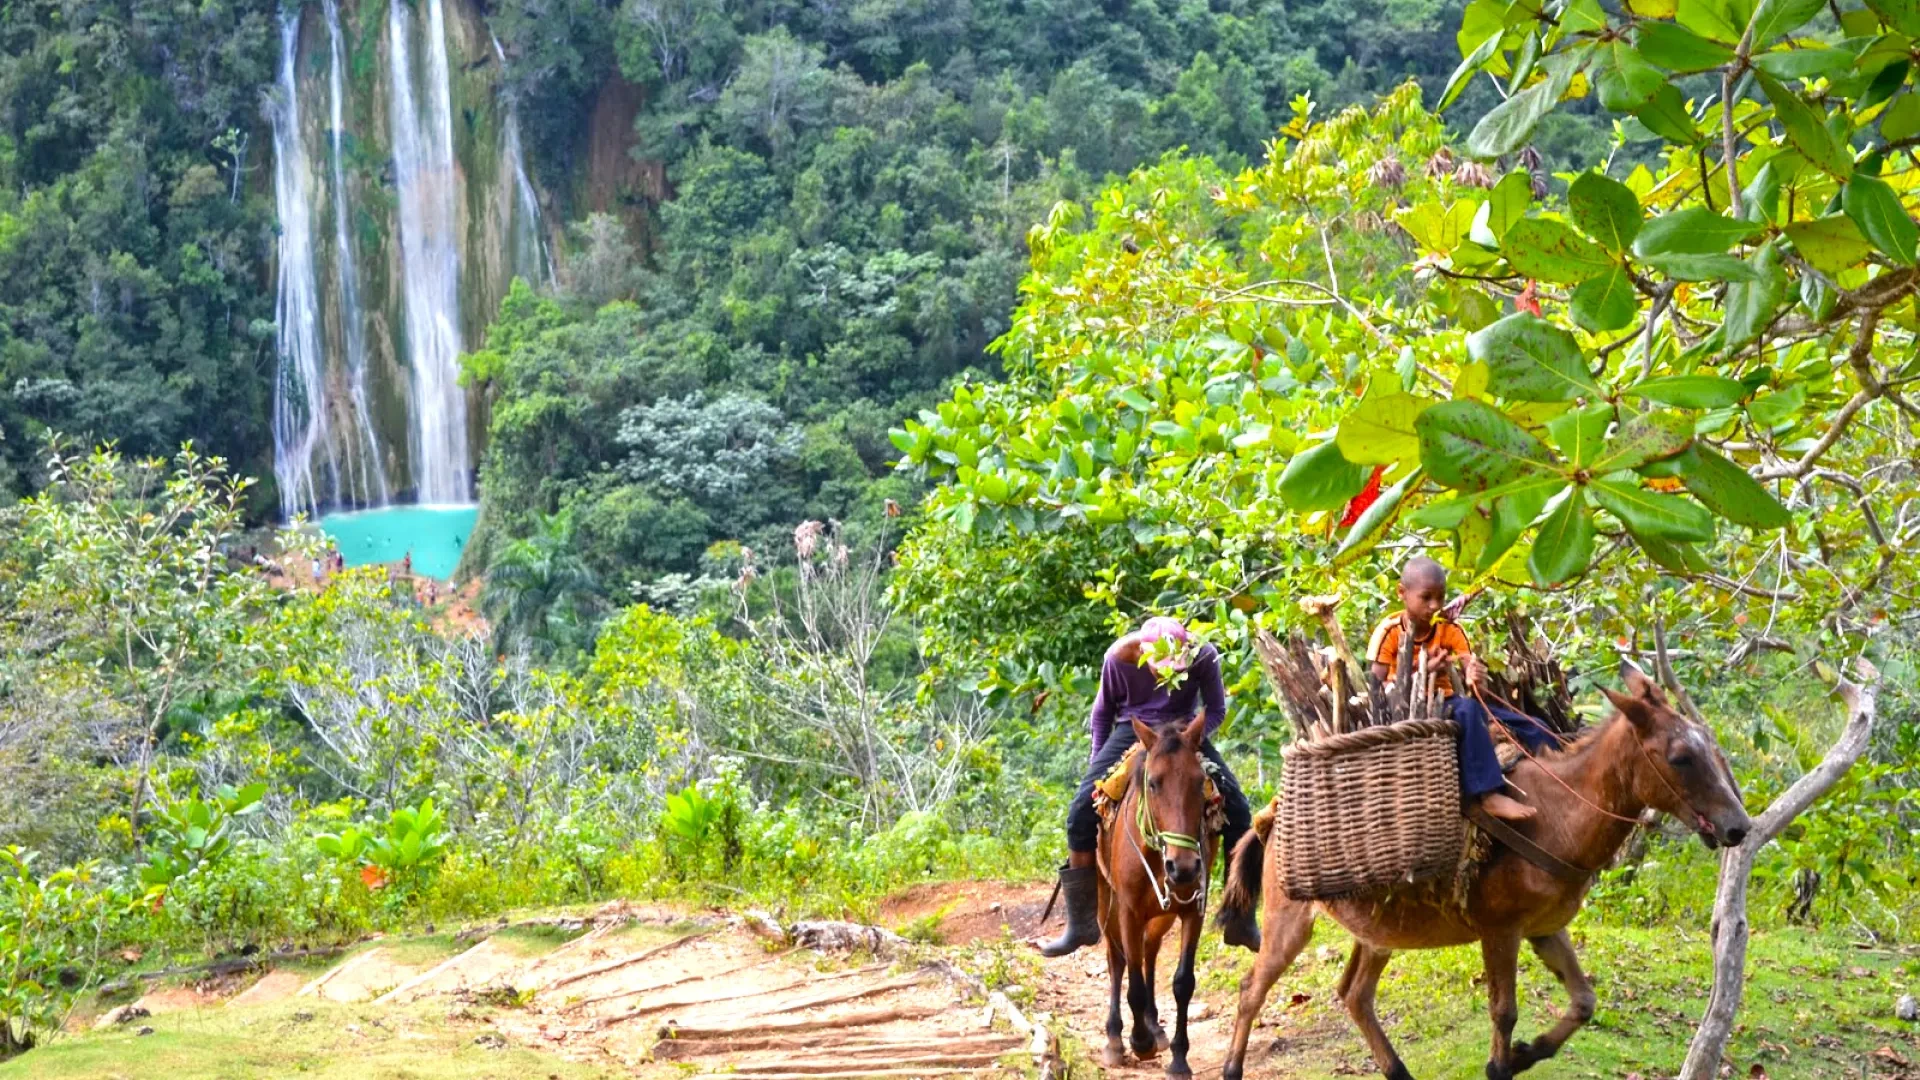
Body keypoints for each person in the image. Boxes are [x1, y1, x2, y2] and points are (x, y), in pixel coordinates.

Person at [1035, 617, 1260, 957]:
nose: (1167, 675)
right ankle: (1080, 923)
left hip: (1184, 731)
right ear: (1143, 652)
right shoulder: (1117, 658)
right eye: (1160, 667)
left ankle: (1240, 918)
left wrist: (1192, 740)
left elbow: (1215, 709)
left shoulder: (1205, 655)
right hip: (1131, 729)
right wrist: (1098, 765)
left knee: (1239, 811)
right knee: (1081, 811)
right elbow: (1102, 713)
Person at [1366, 556, 1561, 823]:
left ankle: (1559, 778)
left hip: (1453, 704)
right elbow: (1376, 692)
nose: (1435, 605)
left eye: (1440, 597)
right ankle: (1489, 794)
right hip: (1413, 713)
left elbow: (1472, 675)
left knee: (1533, 725)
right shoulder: (1388, 632)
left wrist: (1475, 675)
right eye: (1426, 597)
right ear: (1402, 593)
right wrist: (1424, 674)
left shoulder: (1450, 628)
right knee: (1468, 709)